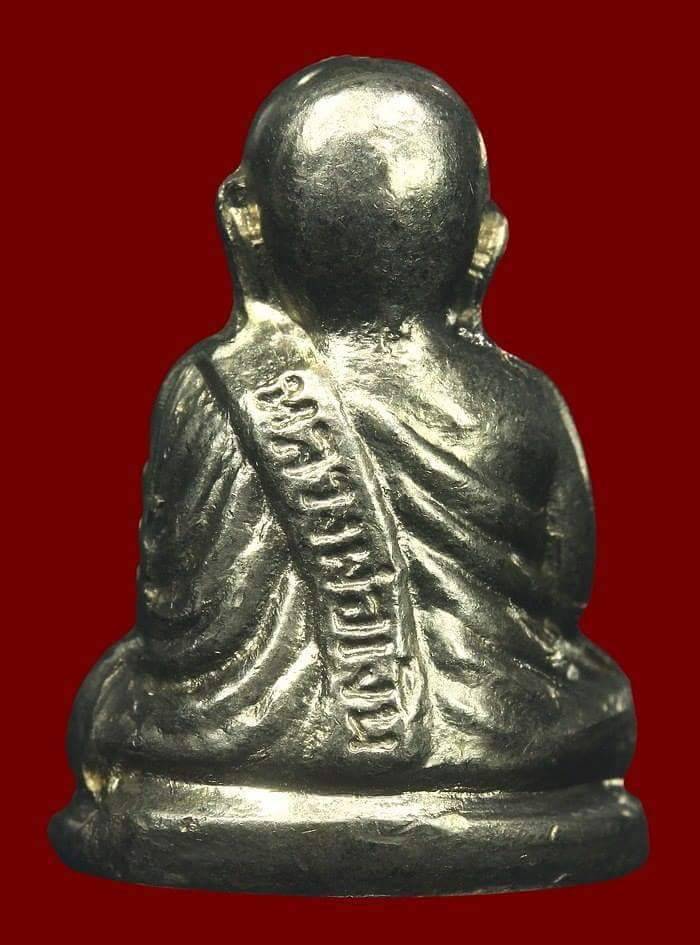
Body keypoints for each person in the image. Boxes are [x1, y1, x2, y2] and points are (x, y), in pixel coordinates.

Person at [66, 58, 634, 801]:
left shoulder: (203, 385)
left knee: (113, 699)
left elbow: (176, 620)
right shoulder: (523, 399)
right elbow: (562, 598)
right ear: (483, 238)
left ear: (246, 224)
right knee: (600, 696)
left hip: (234, 740)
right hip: (497, 738)